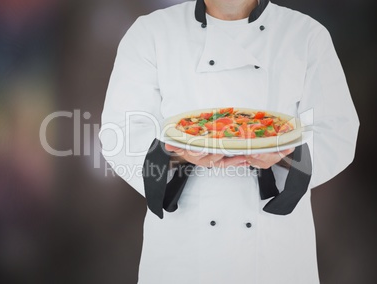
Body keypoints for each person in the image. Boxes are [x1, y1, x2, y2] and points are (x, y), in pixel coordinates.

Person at [99, 0, 359, 283]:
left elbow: (337, 130)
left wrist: (284, 156)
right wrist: (177, 155)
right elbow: (120, 131)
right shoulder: (151, 33)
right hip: (182, 252)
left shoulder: (306, 35)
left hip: (273, 252)